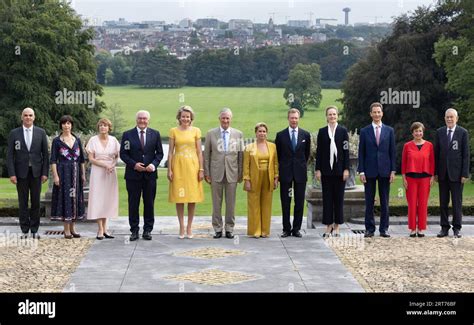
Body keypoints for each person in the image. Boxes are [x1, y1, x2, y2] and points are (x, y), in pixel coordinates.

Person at [120, 110, 164, 241]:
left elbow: (159, 154)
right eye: (140, 118)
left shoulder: (155, 134)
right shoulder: (127, 135)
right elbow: (123, 154)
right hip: (133, 176)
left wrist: (154, 165)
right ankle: (134, 230)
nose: (142, 121)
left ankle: (147, 230)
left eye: (144, 118)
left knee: (149, 203)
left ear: (148, 120)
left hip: (150, 175)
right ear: (136, 120)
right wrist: (134, 165)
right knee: (133, 204)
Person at [7, 107, 49, 239]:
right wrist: (12, 173)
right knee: (23, 202)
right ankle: (25, 230)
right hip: (20, 173)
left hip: (36, 173)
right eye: (25, 115)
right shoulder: (14, 133)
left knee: (36, 202)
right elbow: (10, 155)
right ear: (22, 117)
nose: (28, 117)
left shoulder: (41, 133)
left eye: (30, 115)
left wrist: (45, 173)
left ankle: (35, 230)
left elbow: (45, 156)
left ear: (34, 117)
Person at [358, 102, 396, 238]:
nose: (376, 114)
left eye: (378, 112)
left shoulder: (389, 131)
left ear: (382, 113)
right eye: (374, 112)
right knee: (369, 201)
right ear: (370, 114)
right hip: (369, 171)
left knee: (385, 201)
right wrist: (361, 171)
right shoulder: (364, 131)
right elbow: (361, 152)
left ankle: (384, 229)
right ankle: (369, 229)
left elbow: (392, 152)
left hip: (385, 171)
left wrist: (393, 170)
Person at [204, 108, 243, 239]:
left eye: (227, 118)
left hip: (232, 172)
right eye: (223, 118)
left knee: (231, 203)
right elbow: (207, 155)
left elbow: (240, 155)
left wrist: (240, 173)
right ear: (219, 119)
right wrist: (207, 172)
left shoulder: (238, 134)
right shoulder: (211, 134)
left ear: (231, 119)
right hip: (216, 172)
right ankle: (217, 228)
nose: (225, 120)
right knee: (216, 203)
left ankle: (229, 228)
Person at [168, 106, 204, 239]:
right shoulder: (173, 131)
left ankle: (189, 227)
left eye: (188, 116)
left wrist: (201, 169)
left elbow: (200, 151)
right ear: (179, 117)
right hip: (178, 166)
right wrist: (170, 169)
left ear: (191, 118)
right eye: (183, 116)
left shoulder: (196, 131)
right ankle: (181, 226)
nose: (185, 119)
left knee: (192, 197)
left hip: (192, 166)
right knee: (179, 197)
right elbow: (170, 152)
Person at [275, 108, 311, 238]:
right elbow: (278, 155)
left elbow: (306, 154)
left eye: (296, 118)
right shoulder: (280, 135)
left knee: (299, 202)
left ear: (299, 118)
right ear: (288, 118)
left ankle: (296, 229)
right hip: (286, 174)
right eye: (292, 118)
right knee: (285, 201)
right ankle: (286, 229)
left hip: (300, 174)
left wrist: (299, 165)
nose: (294, 120)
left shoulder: (305, 135)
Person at [434, 108, 470, 238]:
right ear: (444, 118)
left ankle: (457, 228)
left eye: (452, 117)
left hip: (457, 174)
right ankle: (444, 227)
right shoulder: (439, 132)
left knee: (457, 203)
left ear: (456, 118)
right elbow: (436, 154)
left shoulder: (463, 133)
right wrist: (435, 173)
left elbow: (466, 155)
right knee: (443, 202)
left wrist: (465, 173)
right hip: (442, 174)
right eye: (447, 117)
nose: (449, 119)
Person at [315, 106, 350, 237]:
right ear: (326, 116)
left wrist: (346, 169)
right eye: (330, 114)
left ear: (337, 116)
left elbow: (346, 151)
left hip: (340, 171)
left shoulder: (343, 131)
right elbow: (319, 152)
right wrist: (317, 169)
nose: (332, 116)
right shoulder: (322, 132)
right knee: (327, 199)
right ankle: (328, 226)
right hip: (326, 171)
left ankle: (337, 226)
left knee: (338, 200)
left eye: (334, 114)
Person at [50, 115, 86, 239]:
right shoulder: (57, 141)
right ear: (61, 125)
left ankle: (73, 228)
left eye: (69, 123)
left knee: (74, 198)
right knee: (65, 198)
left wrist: (83, 174)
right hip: (63, 172)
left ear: (71, 125)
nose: (66, 125)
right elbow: (53, 160)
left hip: (75, 172)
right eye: (64, 123)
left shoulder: (77, 140)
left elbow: (82, 159)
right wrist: (55, 176)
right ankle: (66, 229)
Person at [86, 118, 120, 240]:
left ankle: (106, 228)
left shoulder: (114, 140)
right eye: (100, 125)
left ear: (109, 127)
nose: (102, 128)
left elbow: (117, 156)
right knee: (98, 199)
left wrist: (112, 165)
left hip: (110, 172)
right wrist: (105, 165)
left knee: (107, 199)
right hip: (98, 171)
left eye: (105, 125)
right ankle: (100, 229)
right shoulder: (93, 140)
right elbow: (91, 159)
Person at [243, 122, 279, 238]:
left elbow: (275, 163)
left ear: (267, 133)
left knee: (267, 203)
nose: (262, 133)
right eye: (260, 131)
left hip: (268, 177)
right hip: (254, 178)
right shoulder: (249, 147)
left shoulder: (272, 146)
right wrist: (247, 180)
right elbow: (246, 165)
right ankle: (256, 230)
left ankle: (265, 230)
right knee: (254, 204)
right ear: (256, 133)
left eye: (264, 131)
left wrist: (276, 178)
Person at [401, 122, 435, 238]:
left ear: (423, 132)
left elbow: (432, 162)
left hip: (425, 178)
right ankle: (412, 228)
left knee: (423, 204)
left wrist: (432, 177)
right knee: (411, 204)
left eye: (420, 131)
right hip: (411, 178)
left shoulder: (429, 145)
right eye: (416, 131)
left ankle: (421, 228)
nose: (418, 133)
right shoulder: (407, 146)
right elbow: (404, 162)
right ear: (412, 132)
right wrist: (404, 178)